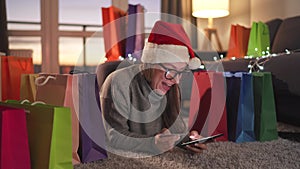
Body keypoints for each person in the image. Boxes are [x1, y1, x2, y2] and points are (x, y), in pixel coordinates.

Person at [100, 21, 207, 155]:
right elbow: (113, 137)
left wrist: (189, 140)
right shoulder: (118, 82)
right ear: (151, 63)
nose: (176, 81)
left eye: (180, 72)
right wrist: (152, 144)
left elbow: (176, 130)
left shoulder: (171, 84)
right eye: (171, 70)